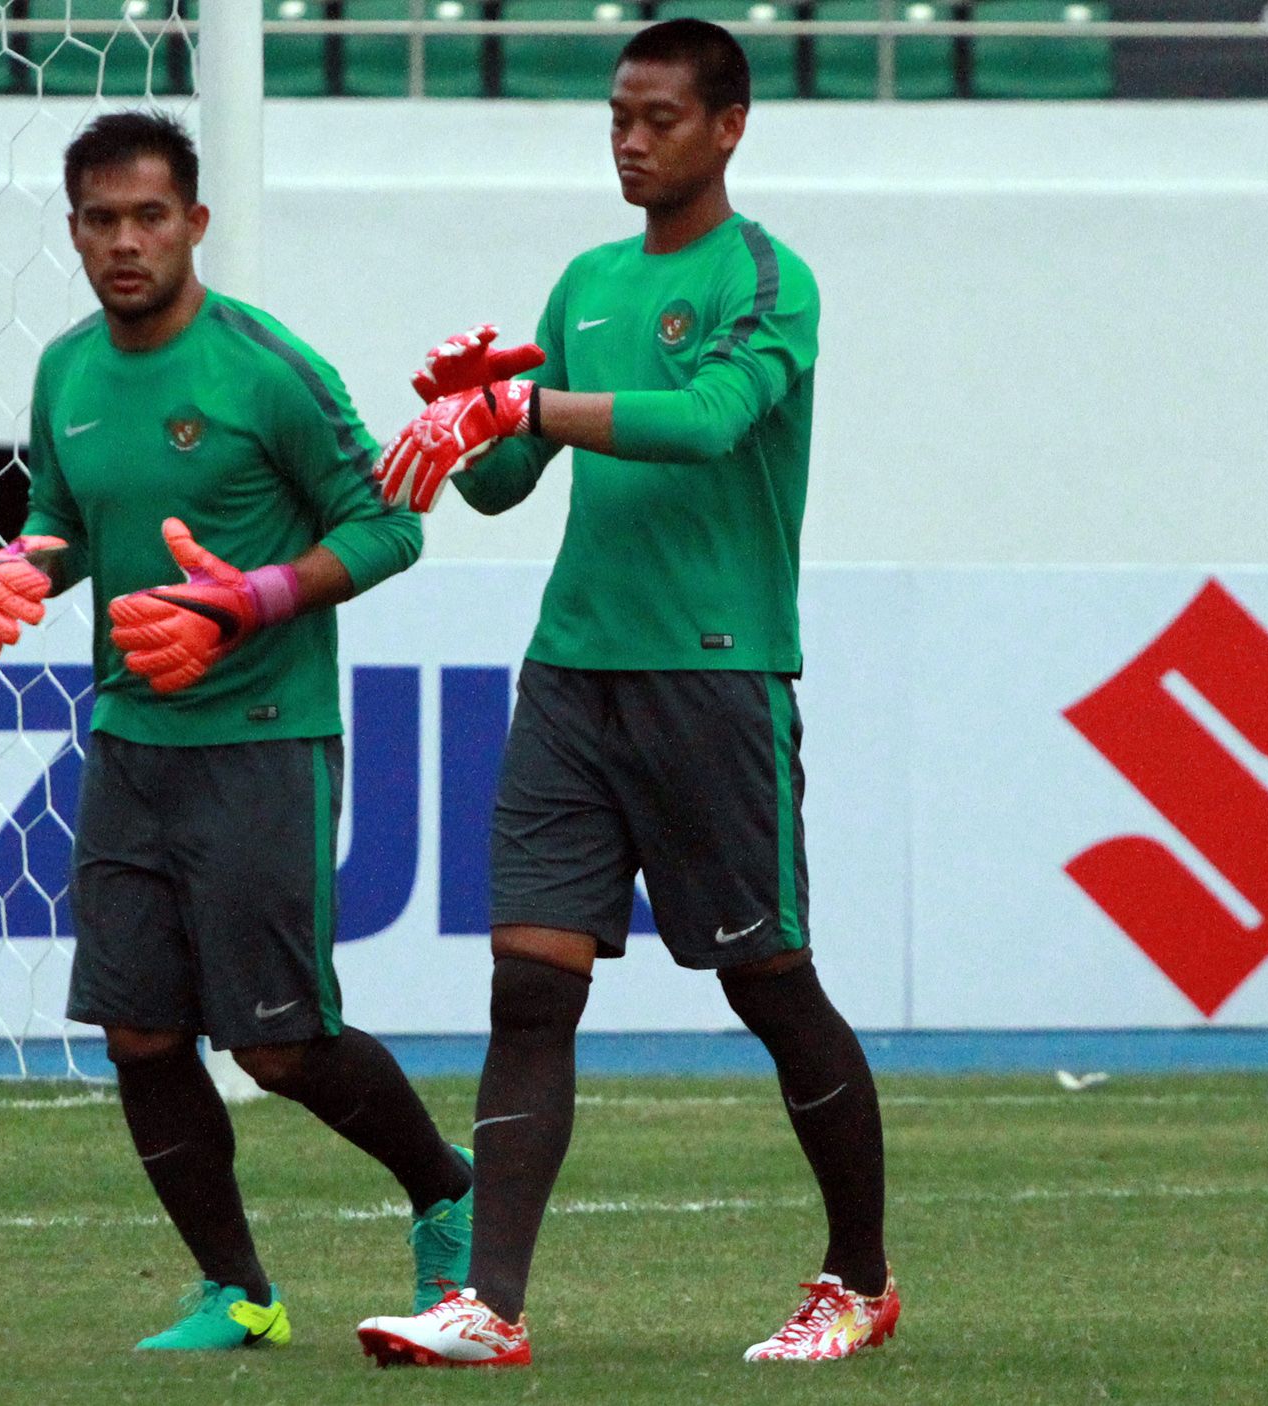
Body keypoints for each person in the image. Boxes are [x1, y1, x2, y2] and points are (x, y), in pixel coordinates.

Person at [351, 20, 895, 1368]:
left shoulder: (770, 278)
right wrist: (473, 411)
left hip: (715, 676)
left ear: (729, 126)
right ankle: (489, 1303)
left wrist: (530, 411)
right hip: (574, 674)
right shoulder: (586, 281)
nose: (631, 139)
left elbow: (708, 422)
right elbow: (497, 482)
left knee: (771, 985)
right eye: (617, 116)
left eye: (658, 117)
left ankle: (861, 1279)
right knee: (531, 984)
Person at [0, 109, 472, 1353]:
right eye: (102, 220)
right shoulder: (65, 369)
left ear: (196, 223)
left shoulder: (266, 368)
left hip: (263, 732)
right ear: (74, 231)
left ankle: (448, 1191)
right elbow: (59, 511)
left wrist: (255, 597)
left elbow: (391, 524)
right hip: (131, 740)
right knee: (138, 1030)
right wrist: (26, 564)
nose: (126, 242)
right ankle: (240, 1293)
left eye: (151, 217)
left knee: (278, 1041)